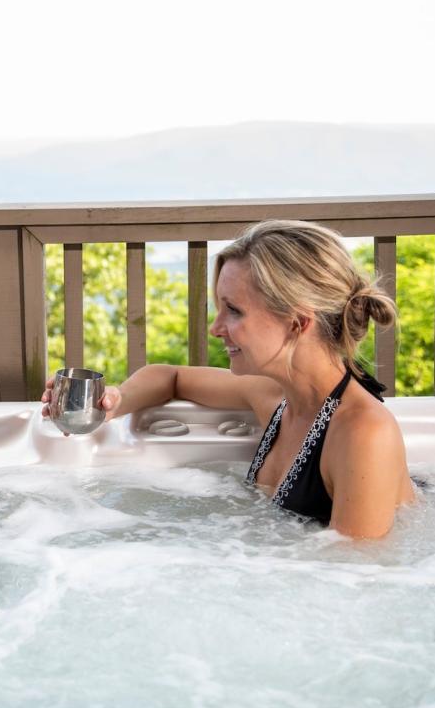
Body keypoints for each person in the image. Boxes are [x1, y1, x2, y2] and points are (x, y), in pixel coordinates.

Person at [44, 220, 415, 538]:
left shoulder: (363, 433)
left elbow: (357, 579)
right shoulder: (278, 395)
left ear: (297, 323)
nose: (216, 328)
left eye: (234, 311)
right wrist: (112, 403)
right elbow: (169, 376)